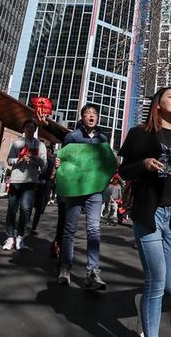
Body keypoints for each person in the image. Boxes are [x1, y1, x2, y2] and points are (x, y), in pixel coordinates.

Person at [118, 87, 171, 337]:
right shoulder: (139, 134)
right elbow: (124, 171)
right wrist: (143, 164)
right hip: (149, 213)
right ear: (157, 105)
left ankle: (143, 303)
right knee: (156, 281)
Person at [56, 104, 109, 290]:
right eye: (88, 113)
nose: (91, 116)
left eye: (94, 113)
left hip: (95, 190)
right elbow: (63, 161)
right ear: (82, 117)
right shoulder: (72, 137)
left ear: (98, 118)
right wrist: (58, 162)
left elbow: (106, 163)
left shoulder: (103, 138)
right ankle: (64, 269)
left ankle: (93, 272)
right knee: (69, 229)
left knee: (94, 229)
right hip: (74, 189)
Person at [4, 119, 47, 251]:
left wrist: (34, 159)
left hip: (30, 181)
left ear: (35, 130)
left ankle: (20, 236)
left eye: (32, 127)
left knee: (25, 209)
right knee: (12, 208)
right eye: (27, 126)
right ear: (23, 129)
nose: (30, 129)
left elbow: (44, 164)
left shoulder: (40, 145)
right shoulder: (17, 143)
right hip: (16, 180)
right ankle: (10, 237)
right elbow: (9, 160)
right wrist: (19, 159)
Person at [31, 145, 56, 235]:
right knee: (30, 205)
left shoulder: (52, 161)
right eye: (46, 150)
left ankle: (34, 227)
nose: (47, 152)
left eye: (49, 150)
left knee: (39, 209)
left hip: (46, 186)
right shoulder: (40, 159)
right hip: (37, 184)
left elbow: (53, 172)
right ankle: (25, 223)